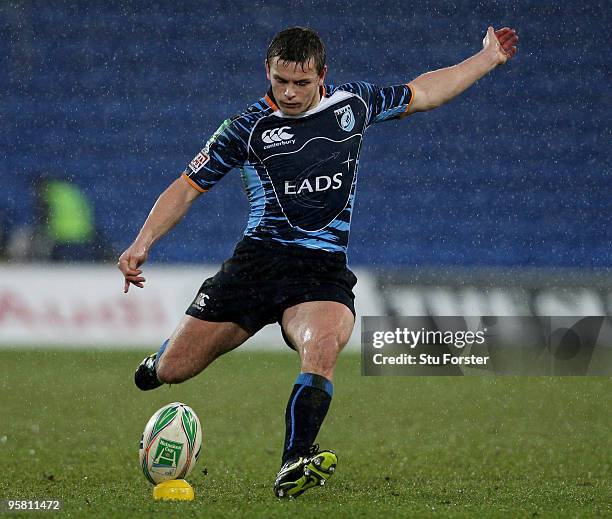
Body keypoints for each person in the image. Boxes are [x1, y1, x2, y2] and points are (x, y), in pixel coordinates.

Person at [118, 26, 518, 498]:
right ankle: (158, 363)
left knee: (323, 345)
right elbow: (187, 185)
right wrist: (141, 243)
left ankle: (295, 459)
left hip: (320, 270)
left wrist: (486, 59)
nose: (288, 93)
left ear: (322, 76)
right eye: (279, 81)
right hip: (256, 267)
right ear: (267, 72)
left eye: (301, 83)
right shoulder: (245, 128)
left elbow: (424, 91)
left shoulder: (352, 105)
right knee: (174, 371)